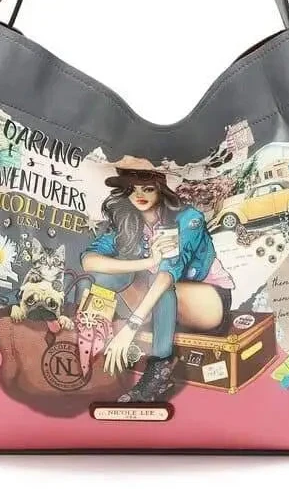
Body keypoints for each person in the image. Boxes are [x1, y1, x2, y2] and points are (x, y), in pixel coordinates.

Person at [81, 157, 234, 402]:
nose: (139, 195)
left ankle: (160, 369)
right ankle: (95, 338)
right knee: (106, 275)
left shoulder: (189, 218)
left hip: (207, 299)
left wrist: (130, 328)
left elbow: (166, 275)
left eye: (148, 188)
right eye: (132, 188)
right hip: (160, 299)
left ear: (161, 188)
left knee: (162, 286)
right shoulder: (128, 222)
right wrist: (145, 263)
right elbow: (89, 260)